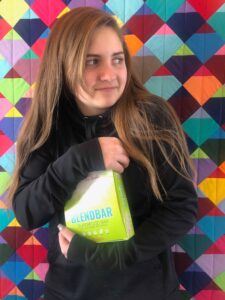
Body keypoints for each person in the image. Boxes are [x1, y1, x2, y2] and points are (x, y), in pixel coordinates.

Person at [8, 7, 198, 300]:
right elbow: (27, 212)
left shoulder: (152, 117)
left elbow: (182, 208)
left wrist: (114, 255)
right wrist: (80, 159)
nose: (109, 74)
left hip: (147, 292)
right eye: (92, 61)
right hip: (69, 292)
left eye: (117, 59)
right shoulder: (49, 127)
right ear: (64, 65)